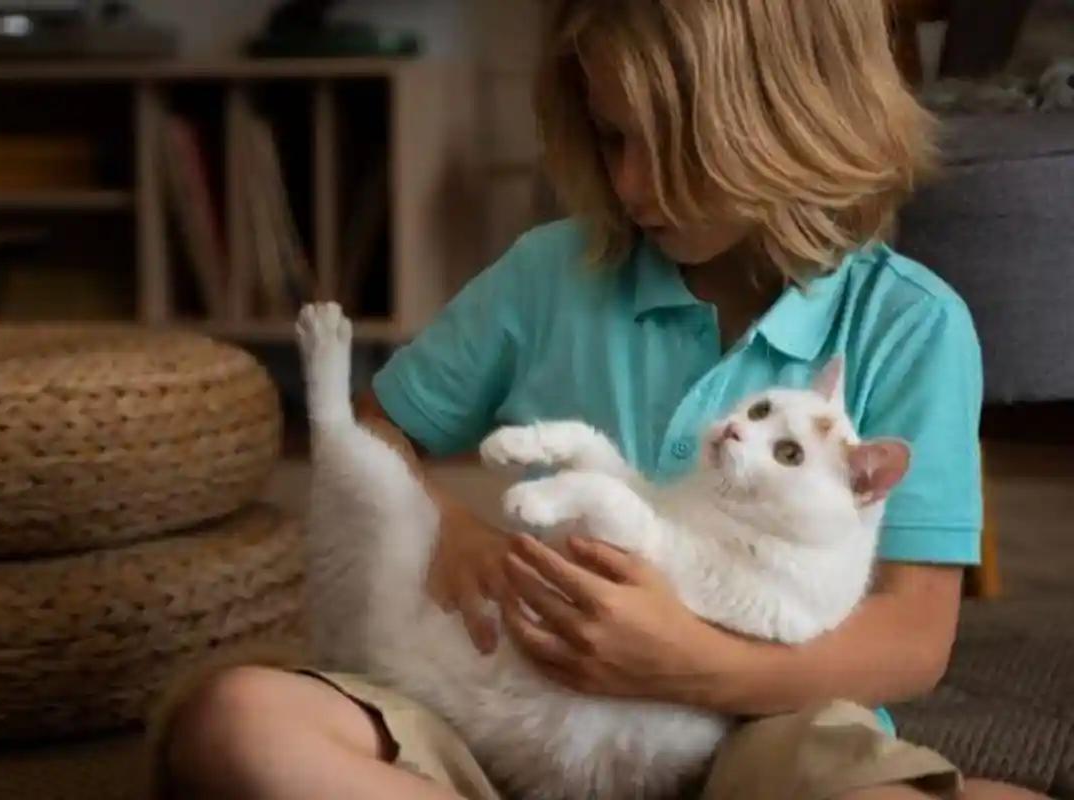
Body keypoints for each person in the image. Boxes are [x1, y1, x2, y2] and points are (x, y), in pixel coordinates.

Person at [149, 1, 1048, 798]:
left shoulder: (909, 324)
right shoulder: (551, 272)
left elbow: (912, 644)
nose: (630, 185)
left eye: (672, 147)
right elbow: (383, 432)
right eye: (614, 138)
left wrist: (695, 668)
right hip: (505, 713)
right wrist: (449, 533)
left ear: (794, 119)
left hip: (765, 732)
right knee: (235, 723)